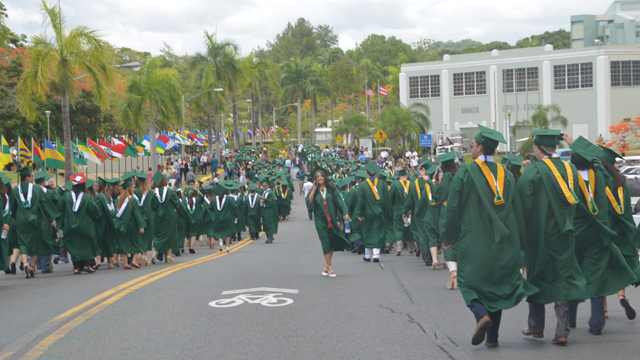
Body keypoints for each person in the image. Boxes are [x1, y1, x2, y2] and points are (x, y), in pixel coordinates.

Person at [444, 125, 537, 347]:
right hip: (503, 243)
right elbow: (516, 210)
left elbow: (453, 208)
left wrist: (448, 234)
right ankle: (493, 338)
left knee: (467, 282)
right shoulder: (505, 174)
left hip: (474, 241)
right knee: (495, 288)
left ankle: (481, 316)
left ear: (481, 147)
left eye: (473, 145)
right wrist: (520, 246)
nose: (471, 148)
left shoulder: (465, 172)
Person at [517, 129, 587, 346]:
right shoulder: (571, 170)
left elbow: (523, 206)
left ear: (539, 149)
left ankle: (536, 328)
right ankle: (562, 331)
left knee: (537, 276)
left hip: (539, 237)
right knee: (562, 279)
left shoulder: (533, 171)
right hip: (565, 235)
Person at [565, 136, 636, 335]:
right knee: (596, 276)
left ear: (572, 159)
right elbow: (599, 163)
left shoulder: (568, 178)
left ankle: (570, 319)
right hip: (598, 234)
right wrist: (582, 150)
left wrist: (572, 147)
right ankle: (596, 323)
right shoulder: (601, 176)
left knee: (573, 275)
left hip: (575, 233)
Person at [600, 145, 640, 320]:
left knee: (602, 270)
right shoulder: (622, 182)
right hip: (622, 233)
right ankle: (622, 297)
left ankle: (604, 310)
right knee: (618, 269)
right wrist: (633, 236)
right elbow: (626, 213)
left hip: (606, 232)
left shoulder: (601, 182)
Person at [10, 167, 58, 279]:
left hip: (21, 220)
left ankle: (25, 263)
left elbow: (13, 207)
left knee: (23, 242)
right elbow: (45, 205)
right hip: (35, 219)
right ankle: (32, 266)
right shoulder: (37, 189)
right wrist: (51, 219)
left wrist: (15, 218)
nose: (33, 177)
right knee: (35, 242)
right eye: (31, 175)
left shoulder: (16, 190)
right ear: (26, 178)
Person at [306, 167, 350, 277]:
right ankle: (330, 268)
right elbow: (309, 205)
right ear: (315, 179)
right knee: (325, 242)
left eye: (321, 176)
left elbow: (341, 203)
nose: (320, 178)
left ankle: (326, 265)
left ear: (325, 177)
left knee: (331, 243)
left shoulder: (332, 189)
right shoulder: (314, 192)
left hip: (332, 220)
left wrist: (345, 213)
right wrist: (313, 190)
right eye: (317, 177)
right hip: (320, 221)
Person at [56, 173, 100, 274]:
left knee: (74, 245)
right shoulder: (87, 197)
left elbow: (60, 210)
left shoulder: (66, 196)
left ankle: (76, 267)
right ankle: (86, 265)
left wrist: (59, 224)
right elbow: (94, 210)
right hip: (85, 226)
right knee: (86, 244)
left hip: (69, 225)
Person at [353, 161, 387, 263]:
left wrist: (359, 213)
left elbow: (360, 201)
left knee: (367, 231)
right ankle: (376, 255)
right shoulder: (382, 184)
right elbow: (386, 199)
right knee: (377, 232)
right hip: (379, 211)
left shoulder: (363, 185)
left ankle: (367, 255)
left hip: (367, 212)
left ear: (367, 173)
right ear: (376, 173)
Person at [435, 151, 459, 289]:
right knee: (458, 242)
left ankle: (453, 273)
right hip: (460, 212)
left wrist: (434, 182)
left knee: (447, 243)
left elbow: (439, 195)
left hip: (447, 211)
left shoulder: (446, 178)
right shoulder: (460, 175)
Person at [390, 169, 413, 256]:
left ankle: (399, 247)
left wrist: (393, 204)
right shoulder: (412, 184)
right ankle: (410, 248)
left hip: (398, 209)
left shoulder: (395, 185)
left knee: (398, 228)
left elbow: (390, 197)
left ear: (399, 176)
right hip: (409, 210)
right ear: (407, 176)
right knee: (409, 228)